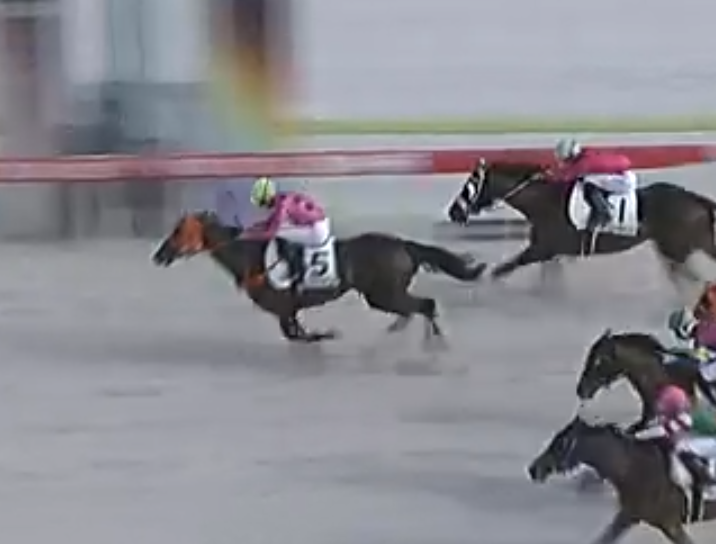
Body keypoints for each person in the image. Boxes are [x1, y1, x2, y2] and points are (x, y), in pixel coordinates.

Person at [241, 176, 331, 290]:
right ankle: (292, 261)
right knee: (282, 229)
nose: (264, 207)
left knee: (279, 231)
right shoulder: (282, 199)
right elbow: (270, 222)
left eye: (263, 203)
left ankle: (297, 274)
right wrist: (252, 229)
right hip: (319, 225)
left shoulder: (282, 206)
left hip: (317, 232)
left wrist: (248, 235)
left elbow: (271, 232)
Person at [634, 384, 715, 488]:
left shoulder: (686, 417)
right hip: (707, 438)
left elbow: (664, 430)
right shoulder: (684, 410)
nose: (659, 406)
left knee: (681, 446)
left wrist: (637, 436)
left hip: (713, 443)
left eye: (663, 404)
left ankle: (706, 477)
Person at [545, 138, 636, 230]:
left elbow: (566, 177)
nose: (562, 163)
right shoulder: (586, 155)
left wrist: (548, 176)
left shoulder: (584, 164)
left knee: (588, 183)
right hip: (621, 174)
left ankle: (604, 212)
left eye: (565, 160)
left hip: (624, 180)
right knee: (588, 179)